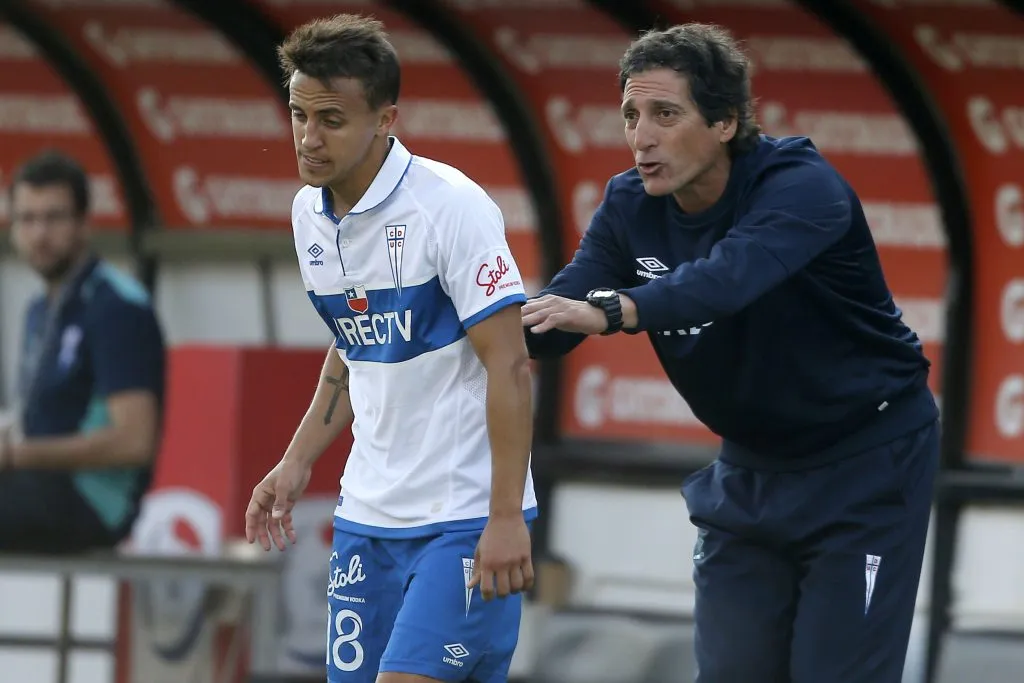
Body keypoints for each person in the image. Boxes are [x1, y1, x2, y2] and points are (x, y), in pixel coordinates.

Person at [522, 23, 940, 683]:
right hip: (750, 475)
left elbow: (725, 280)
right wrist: (471, 325)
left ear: (724, 122)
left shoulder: (802, 188)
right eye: (631, 114)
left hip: (867, 470)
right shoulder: (629, 204)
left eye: (665, 114)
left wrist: (617, 308)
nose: (642, 136)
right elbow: (558, 312)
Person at [243, 14, 536, 683]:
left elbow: (511, 364)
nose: (308, 138)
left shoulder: (451, 206)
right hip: (365, 519)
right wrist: (294, 463)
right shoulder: (307, 216)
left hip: (462, 518)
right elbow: (352, 344)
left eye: (332, 120)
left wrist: (504, 515)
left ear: (386, 119)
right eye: (298, 115)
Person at [0, 150, 166, 553]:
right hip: (40, 486)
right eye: (27, 219)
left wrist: (14, 456)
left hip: (94, 502)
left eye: (53, 218)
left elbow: (134, 440)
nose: (39, 234)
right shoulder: (41, 309)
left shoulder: (116, 306)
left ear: (83, 224)